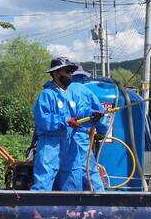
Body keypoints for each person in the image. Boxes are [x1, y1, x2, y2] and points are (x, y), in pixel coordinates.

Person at [31, 57, 102, 191]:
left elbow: (81, 111)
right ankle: (36, 211)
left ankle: (71, 212)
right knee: (44, 183)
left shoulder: (73, 95)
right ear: (56, 73)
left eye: (71, 72)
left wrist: (92, 115)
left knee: (73, 184)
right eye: (68, 71)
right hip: (50, 145)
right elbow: (43, 120)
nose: (70, 74)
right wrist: (65, 121)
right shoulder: (46, 95)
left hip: (71, 145)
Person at [68, 63, 108, 191]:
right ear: (82, 76)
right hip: (80, 137)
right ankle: (101, 204)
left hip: (60, 139)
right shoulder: (87, 92)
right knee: (89, 172)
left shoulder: (57, 91)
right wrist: (102, 131)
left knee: (67, 174)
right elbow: (99, 115)